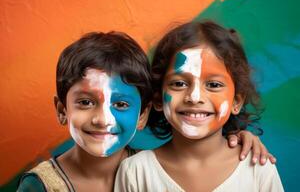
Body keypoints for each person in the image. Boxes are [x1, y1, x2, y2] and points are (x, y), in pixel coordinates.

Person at [18, 31, 275, 192]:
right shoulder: (40, 185)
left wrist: (241, 136)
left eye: (120, 105)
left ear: (143, 114)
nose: (102, 119)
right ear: (62, 110)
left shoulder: (143, 168)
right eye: (85, 102)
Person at [115, 21, 284, 192]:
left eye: (214, 85)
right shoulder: (135, 171)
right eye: (179, 83)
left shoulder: (258, 169)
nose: (194, 97)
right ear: (158, 99)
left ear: (236, 102)